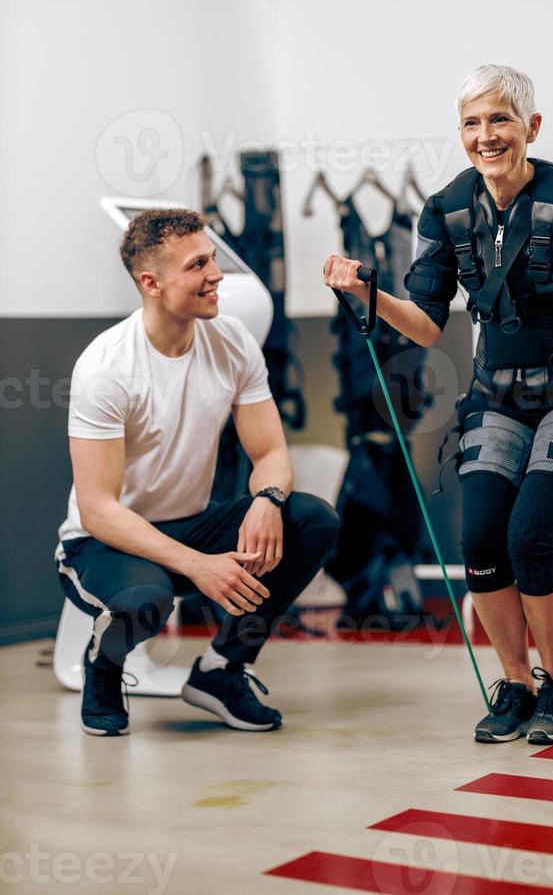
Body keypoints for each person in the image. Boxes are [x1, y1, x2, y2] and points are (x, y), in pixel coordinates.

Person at [323, 64, 553, 744]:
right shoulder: (447, 207)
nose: (485, 136)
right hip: (494, 396)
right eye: (472, 122)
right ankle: (515, 687)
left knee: (529, 538)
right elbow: (429, 325)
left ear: (531, 126)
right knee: (482, 544)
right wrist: (368, 293)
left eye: (500, 120)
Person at [55, 208, 340, 737]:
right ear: (152, 283)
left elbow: (271, 451)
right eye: (198, 265)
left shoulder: (231, 341)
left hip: (188, 524)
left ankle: (221, 670)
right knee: (146, 602)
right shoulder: (106, 368)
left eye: (213, 259)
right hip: (102, 545)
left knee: (310, 518)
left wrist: (267, 500)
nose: (216, 275)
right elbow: (98, 511)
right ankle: (104, 667)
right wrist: (200, 566)